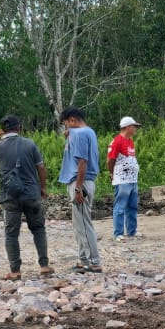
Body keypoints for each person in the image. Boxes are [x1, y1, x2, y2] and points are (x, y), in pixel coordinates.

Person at [0, 114, 53, 281]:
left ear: (2, 130)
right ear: (19, 128)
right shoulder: (29, 144)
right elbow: (41, 167)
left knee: (11, 233)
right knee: (38, 229)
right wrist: (43, 187)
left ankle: (15, 271)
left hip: (9, 195)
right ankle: (44, 266)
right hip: (31, 193)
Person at [59, 107, 102, 273]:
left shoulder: (81, 134)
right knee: (78, 225)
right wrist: (69, 134)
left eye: (66, 125)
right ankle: (84, 260)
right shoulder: (87, 132)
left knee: (84, 224)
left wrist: (78, 188)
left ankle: (94, 262)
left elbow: (82, 162)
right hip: (82, 181)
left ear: (72, 120)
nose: (66, 129)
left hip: (81, 182)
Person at [107, 116, 142, 241]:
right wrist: (112, 173)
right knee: (120, 207)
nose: (136, 129)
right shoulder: (117, 141)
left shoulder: (130, 141)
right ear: (128, 127)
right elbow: (110, 159)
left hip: (132, 179)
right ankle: (118, 233)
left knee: (132, 206)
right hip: (122, 180)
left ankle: (132, 231)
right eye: (134, 127)